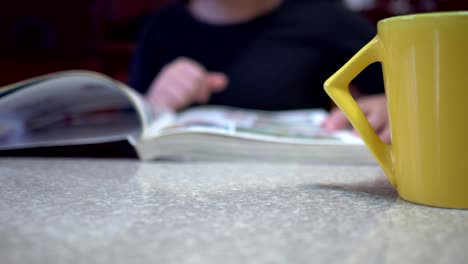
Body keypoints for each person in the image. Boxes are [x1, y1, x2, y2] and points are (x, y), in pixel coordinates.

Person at [128, 0, 390, 143]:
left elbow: (406, 92)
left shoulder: (324, 17)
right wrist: (152, 105)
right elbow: (125, 133)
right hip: (177, 195)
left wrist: (392, 106)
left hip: (299, 192)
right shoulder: (161, 27)